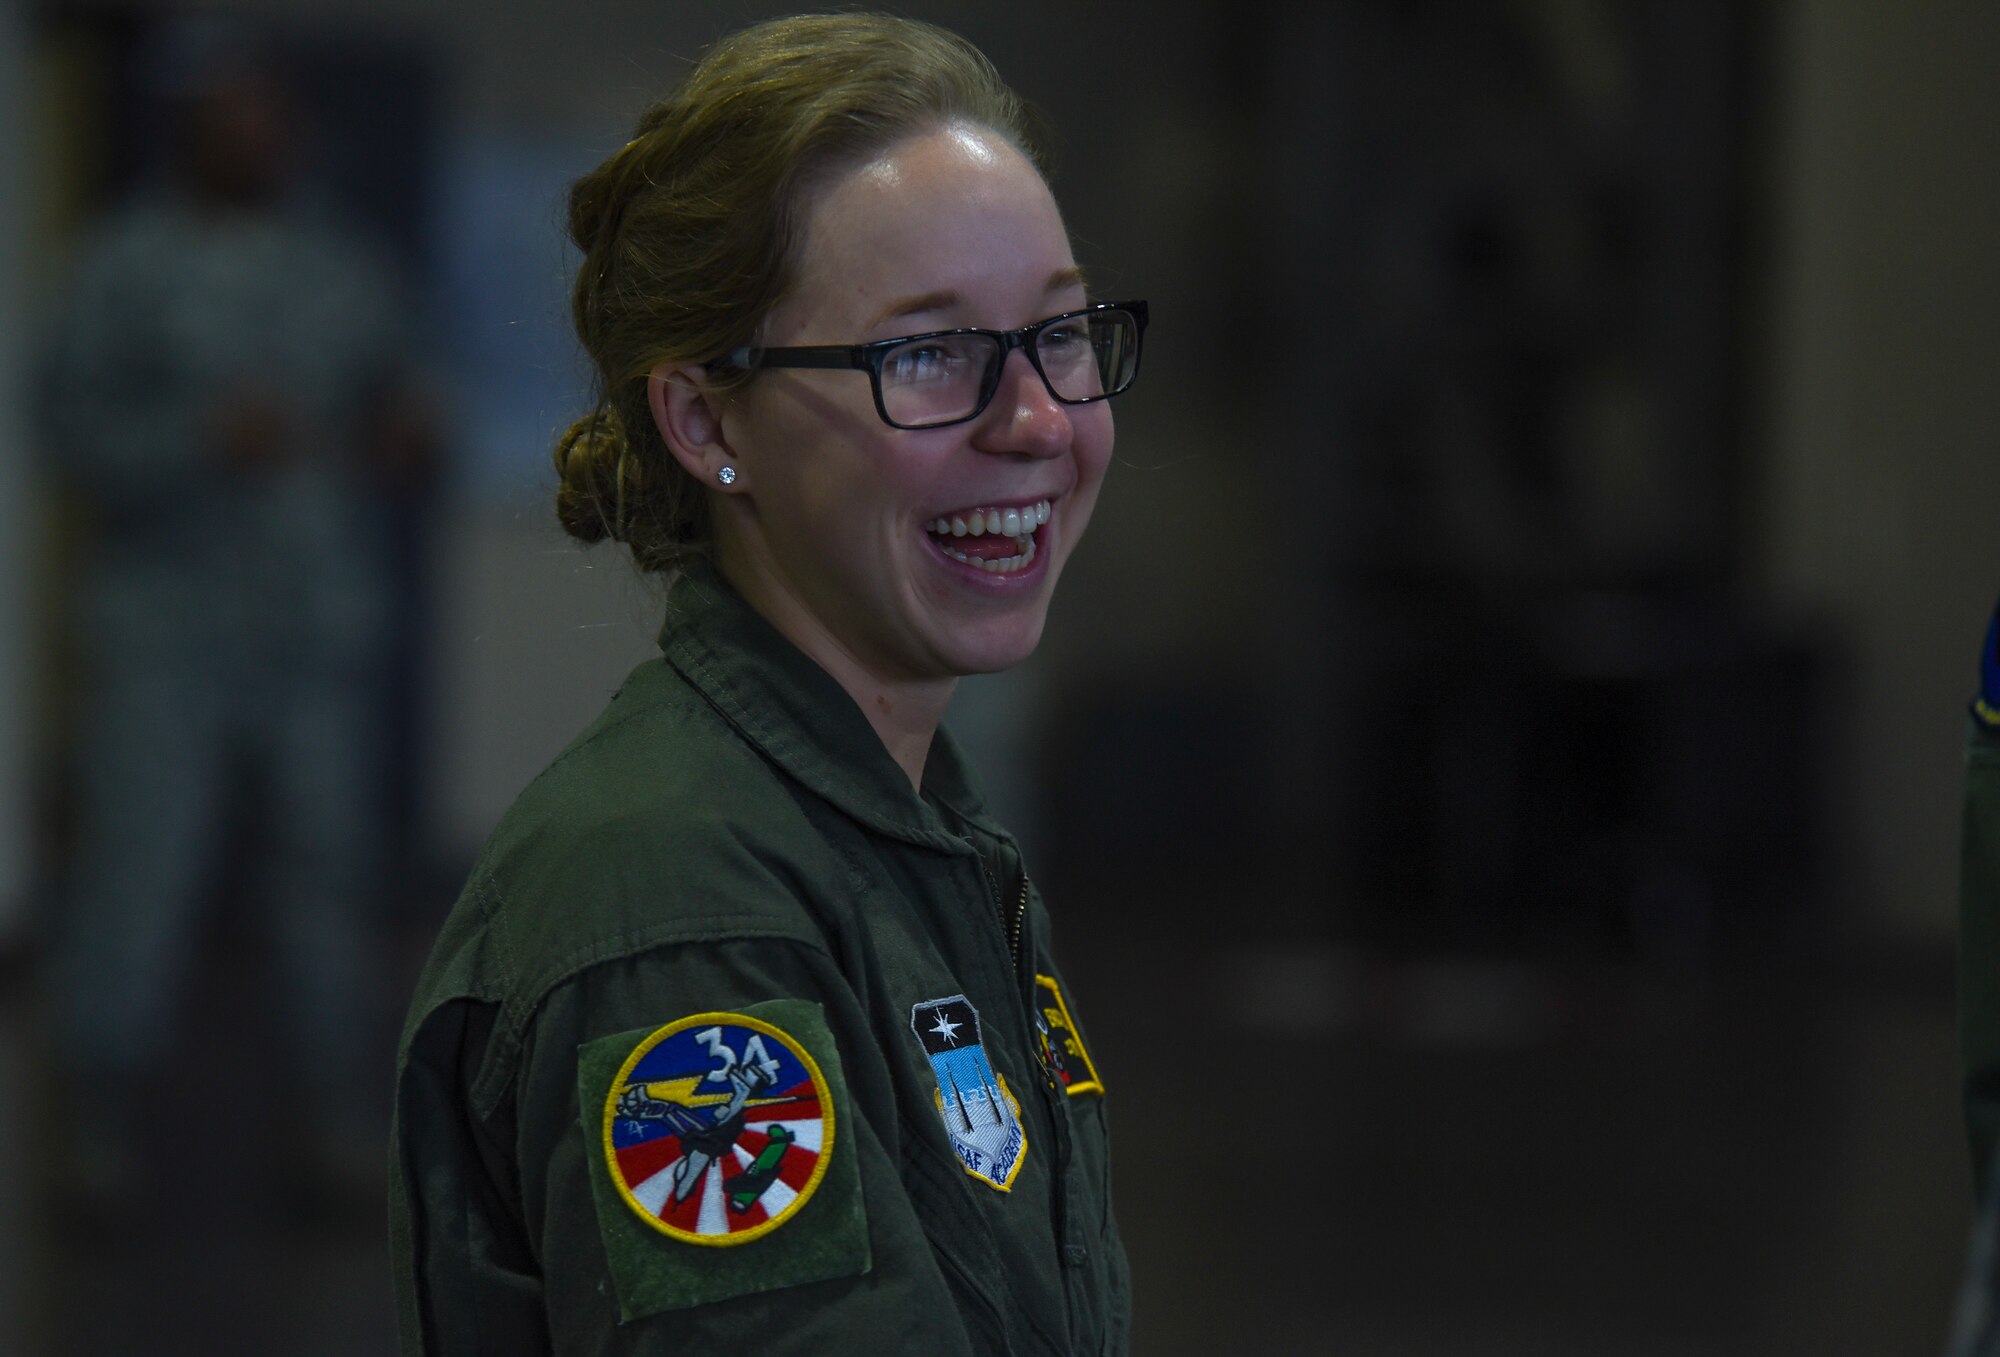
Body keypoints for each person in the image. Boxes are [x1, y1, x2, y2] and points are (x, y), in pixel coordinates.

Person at [389, 15, 1145, 1355]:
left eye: (1060, 334)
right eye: (928, 352)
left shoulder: (907, 829)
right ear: (706, 420)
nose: (1034, 421)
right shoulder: (684, 909)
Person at [37, 24, 426, 1192]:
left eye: (267, 118)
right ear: (194, 131)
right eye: (226, 120)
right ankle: (95, 1119)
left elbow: (403, 381)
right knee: (138, 871)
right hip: (165, 626)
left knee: (326, 876)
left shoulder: (343, 264)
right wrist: (192, 442)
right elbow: (68, 432)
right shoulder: (123, 265)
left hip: (312, 624)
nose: (249, 139)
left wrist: (410, 423)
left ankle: (330, 1115)